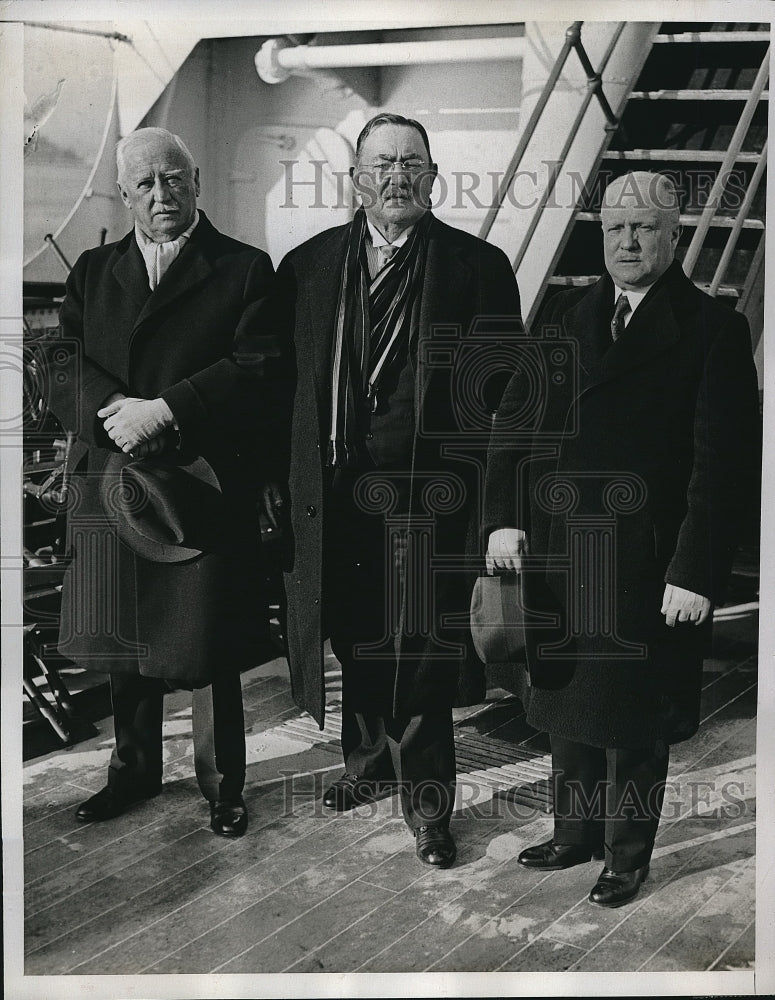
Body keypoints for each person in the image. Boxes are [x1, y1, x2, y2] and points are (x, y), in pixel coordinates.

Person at [484, 171, 761, 905]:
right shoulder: (565, 318)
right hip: (555, 550)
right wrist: (503, 518)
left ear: (674, 236)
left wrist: (695, 572)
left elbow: (720, 470)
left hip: (645, 563)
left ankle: (625, 854)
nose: (628, 241)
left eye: (643, 228)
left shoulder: (711, 330)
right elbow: (510, 429)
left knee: (632, 719)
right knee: (562, 705)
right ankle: (573, 833)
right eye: (614, 227)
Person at [271, 113, 522, 867]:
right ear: (355, 178)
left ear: (433, 176)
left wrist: (493, 513)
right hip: (336, 497)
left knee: (419, 652)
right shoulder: (307, 267)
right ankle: (368, 764)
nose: (396, 177)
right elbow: (280, 390)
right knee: (354, 638)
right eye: (381, 164)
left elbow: (507, 401)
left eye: (411, 162)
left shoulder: (478, 267)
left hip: (428, 501)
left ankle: (429, 808)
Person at [44, 127, 281, 838]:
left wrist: (166, 410)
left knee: (204, 643)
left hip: (196, 487)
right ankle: (133, 771)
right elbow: (58, 361)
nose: (161, 194)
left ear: (197, 181)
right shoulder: (91, 270)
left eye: (173, 179)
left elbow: (260, 366)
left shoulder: (242, 269)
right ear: (125, 194)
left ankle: (222, 784)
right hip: (115, 479)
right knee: (124, 638)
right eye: (145, 184)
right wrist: (114, 413)